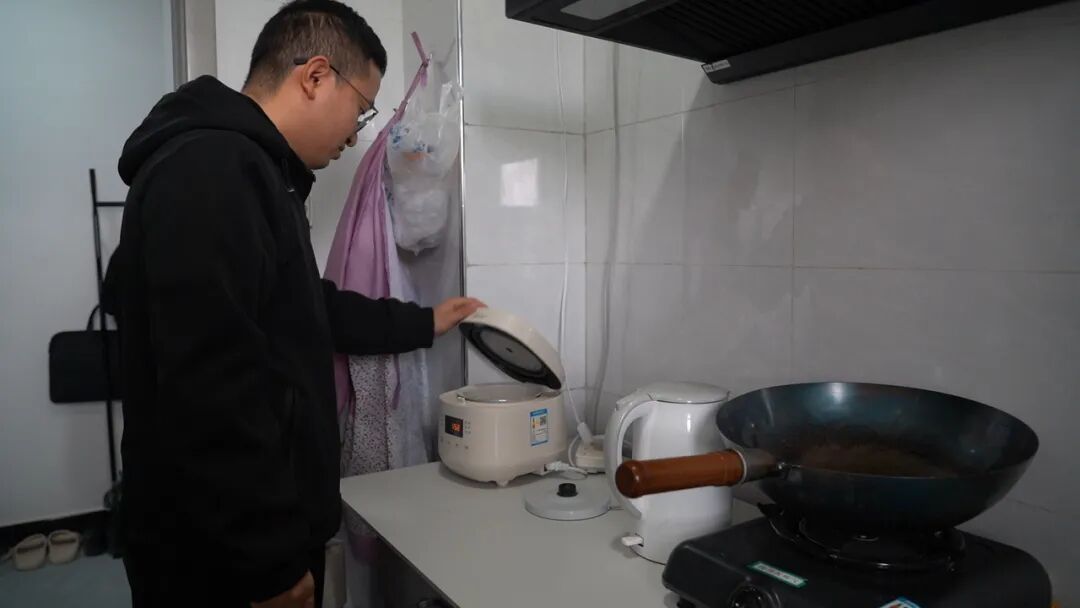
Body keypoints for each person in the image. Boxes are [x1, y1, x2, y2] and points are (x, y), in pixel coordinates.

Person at [102, 1, 483, 606]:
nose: (354, 134)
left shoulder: (256, 173)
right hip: (218, 556)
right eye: (360, 109)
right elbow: (212, 389)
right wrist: (269, 561)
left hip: (239, 538)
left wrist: (421, 321)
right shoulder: (212, 170)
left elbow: (303, 308)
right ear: (315, 76)